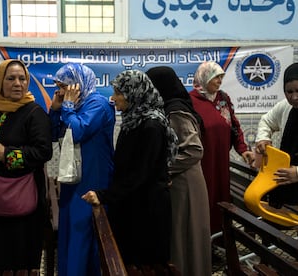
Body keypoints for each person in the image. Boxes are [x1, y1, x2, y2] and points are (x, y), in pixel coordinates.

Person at [82, 69, 178, 273]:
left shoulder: (151, 126)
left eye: (118, 93)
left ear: (134, 93)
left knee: (146, 267)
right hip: (132, 206)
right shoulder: (133, 120)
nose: (113, 98)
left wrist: (104, 195)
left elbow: (140, 175)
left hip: (147, 213)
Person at [0, 59, 52, 274]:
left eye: (22, 78)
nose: (17, 83)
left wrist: (5, 154)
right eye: (10, 78)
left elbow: (43, 152)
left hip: (23, 202)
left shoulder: (35, 113)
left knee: (19, 262)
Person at [49, 63, 115, 276]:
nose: (59, 91)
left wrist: (67, 107)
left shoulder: (98, 104)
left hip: (93, 179)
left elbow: (77, 132)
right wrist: (56, 109)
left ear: (76, 85)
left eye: (62, 86)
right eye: (57, 86)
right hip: (73, 179)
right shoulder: (74, 106)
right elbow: (52, 134)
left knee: (85, 232)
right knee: (70, 233)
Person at [147, 66, 211, 276]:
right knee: (183, 237)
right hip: (183, 180)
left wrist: (162, 170)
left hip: (185, 183)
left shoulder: (175, 110)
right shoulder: (172, 106)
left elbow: (193, 150)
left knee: (185, 236)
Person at [189, 61, 254, 237]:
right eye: (216, 77)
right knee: (204, 200)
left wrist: (243, 149)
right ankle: (202, 243)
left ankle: (220, 240)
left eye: (221, 77)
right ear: (204, 78)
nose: (219, 81)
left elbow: (234, 126)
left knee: (221, 199)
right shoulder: (190, 101)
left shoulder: (223, 98)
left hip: (221, 164)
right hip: (201, 164)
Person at [255, 62, 298, 208]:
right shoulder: (285, 107)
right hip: (283, 185)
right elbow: (266, 121)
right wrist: (263, 138)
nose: (294, 97)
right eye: (289, 92)